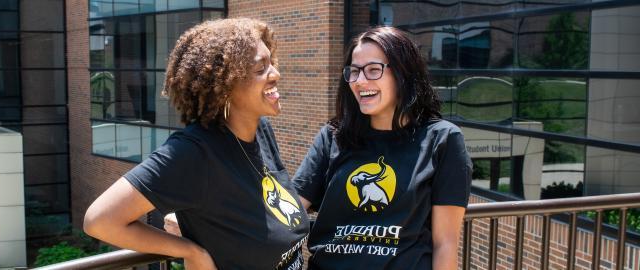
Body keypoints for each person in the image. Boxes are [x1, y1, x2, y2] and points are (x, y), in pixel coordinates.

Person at [83, 18, 309, 270]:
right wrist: (191, 251)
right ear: (225, 85)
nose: (275, 74)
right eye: (260, 68)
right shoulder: (194, 152)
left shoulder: (261, 131)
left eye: (271, 63)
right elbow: (99, 220)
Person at [292, 26, 472, 269]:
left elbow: (446, 244)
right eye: (354, 72)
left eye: (374, 70)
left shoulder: (442, 139)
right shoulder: (333, 136)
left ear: (403, 73)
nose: (360, 81)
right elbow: (289, 214)